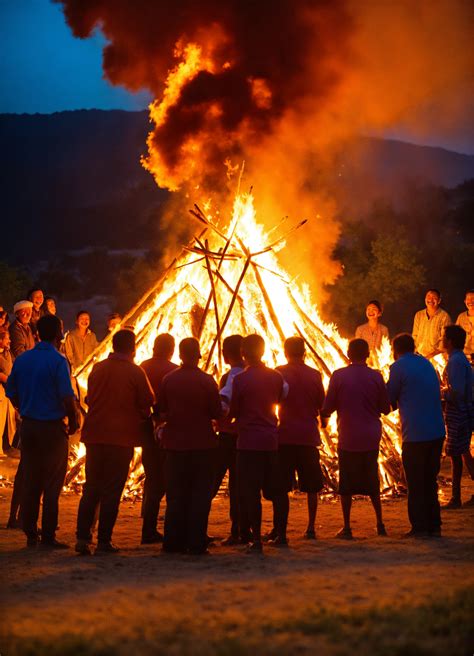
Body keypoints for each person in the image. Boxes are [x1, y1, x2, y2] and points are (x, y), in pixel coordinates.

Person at [75, 329, 154, 555]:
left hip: (94, 435)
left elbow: (90, 398)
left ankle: (82, 538)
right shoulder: (135, 372)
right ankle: (103, 541)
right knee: (111, 490)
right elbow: (148, 401)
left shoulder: (98, 369)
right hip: (120, 438)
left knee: (91, 488)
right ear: (133, 348)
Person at [6, 315, 78, 548]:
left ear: (37, 334)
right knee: (52, 483)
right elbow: (67, 396)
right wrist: (74, 421)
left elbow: (11, 390)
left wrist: (23, 406)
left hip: (29, 427)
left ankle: (30, 534)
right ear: (58, 334)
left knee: (31, 480)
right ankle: (48, 536)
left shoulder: (23, 359)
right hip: (51, 428)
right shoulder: (59, 360)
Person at [158, 337, 222, 555]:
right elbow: (216, 411)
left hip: (175, 445)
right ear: (199, 355)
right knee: (200, 496)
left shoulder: (169, 379)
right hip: (202, 445)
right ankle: (195, 542)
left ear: (180, 355)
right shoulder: (207, 381)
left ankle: (172, 542)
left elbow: (161, 409)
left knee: (175, 495)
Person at [321, 338, 390, 539]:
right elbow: (385, 408)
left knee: (347, 484)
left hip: (349, 436)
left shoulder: (339, 376)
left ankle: (347, 526)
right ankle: (380, 523)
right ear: (367, 354)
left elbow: (328, 407)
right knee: (372, 480)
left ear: (348, 354)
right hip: (370, 436)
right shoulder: (376, 376)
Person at [228, 334, 288, 553]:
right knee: (277, 491)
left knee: (251, 492)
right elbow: (280, 399)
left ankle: (256, 540)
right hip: (271, 440)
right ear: (263, 351)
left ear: (243, 352)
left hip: (248, 443)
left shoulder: (240, 380)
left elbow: (234, 411)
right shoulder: (276, 376)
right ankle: (282, 535)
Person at [267, 336, 326, 544]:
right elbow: (322, 404)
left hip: (284, 436)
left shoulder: (278, 373)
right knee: (311, 486)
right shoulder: (314, 374)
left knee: (281, 487)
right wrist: (323, 422)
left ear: (285, 352)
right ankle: (310, 528)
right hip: (308, 436)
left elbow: (272, 400)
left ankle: (280, 531)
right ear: (304, 353)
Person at [387, 333, 446, 537]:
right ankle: (434, 525)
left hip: (416, 433)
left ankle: (419, 526)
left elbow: (389, 398)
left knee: (415, 482)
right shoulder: (426, 363)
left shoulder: (398, 367)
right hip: (437, 431)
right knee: (430, 480)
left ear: (396, 350)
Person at [139, 333, 178, 544]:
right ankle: (155, 529)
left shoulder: (143, 367)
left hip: (146, 429)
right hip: (167, 431)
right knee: (166, 481)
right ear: (171, 349)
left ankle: (149, 525)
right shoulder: (173, 371)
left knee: (152, 477)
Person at [212, 334, 250, 546]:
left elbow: (224, 408)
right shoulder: (255, 374)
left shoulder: (228, 378)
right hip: (247, 437)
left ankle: (236, 531)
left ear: (227, 355)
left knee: (212, 482)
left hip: (228, 437)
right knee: (241, 486)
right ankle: (241, 531)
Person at [441, 325, 474, 509]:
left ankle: (455, 498)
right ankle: (457, 496)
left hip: (459, 412)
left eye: (445, 337)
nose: (442, 340)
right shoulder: (459, 359)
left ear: (451, 341)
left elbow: (458, 392)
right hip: (462, 411)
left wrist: (442, 393)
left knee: (455, 454)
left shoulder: (455, 362)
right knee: (463, 452)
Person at [412, 289, 451, 359]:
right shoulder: (419, 315)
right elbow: (415, 335)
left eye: (434, 298)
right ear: (425, 299)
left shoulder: (444, 316)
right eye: (428, 297)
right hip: (419, 356)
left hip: (437, 357)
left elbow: (444, 341)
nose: (431, 300)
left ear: (439, 301)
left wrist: (430, 356)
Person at [0, 328, 17, 456]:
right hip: (2, 390)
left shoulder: (7, 353)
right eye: (7, 338)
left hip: (8, 391)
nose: (9, 341)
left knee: (9, 420)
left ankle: (8, 445)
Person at [455, 290, 474, 357]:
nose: (470, 301)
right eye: (468, 299)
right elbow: (455, 335)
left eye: (473, 298)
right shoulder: (461, 317)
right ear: (465, 301)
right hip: (464, 355)